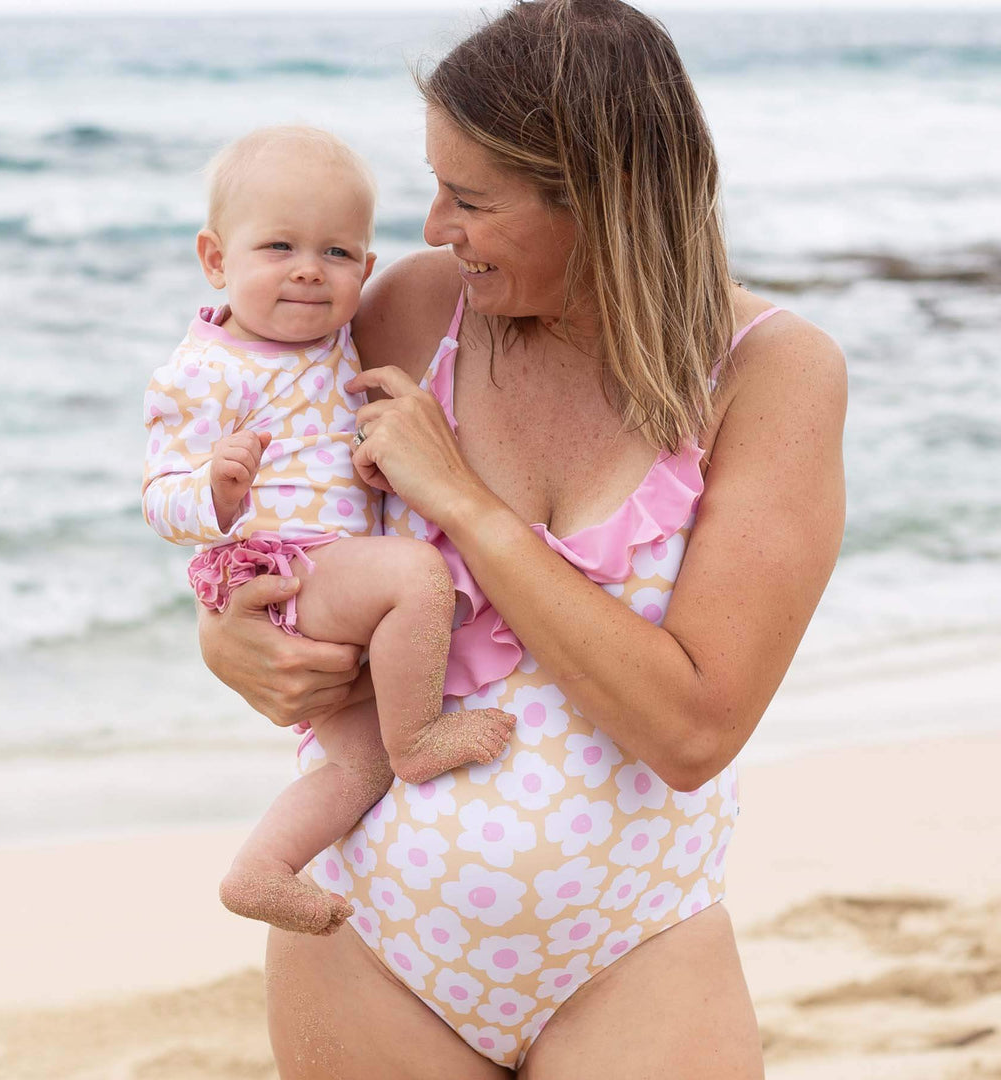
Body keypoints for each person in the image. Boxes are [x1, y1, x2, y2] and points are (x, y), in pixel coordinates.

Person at [197, 1, 846, 1075]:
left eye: (471, 197)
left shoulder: (771, 374)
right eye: (435, 182)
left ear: (596, 200)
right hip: (365, 940)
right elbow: (278, 521)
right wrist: (229, 638)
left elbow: (691, 728)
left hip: (632, 954)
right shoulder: (409, 312)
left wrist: (466, 505)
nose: (432, 226)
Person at [142, 125, 514, 938]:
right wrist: (215, 491)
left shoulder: (335, 344)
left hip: (325, 569)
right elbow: (160, 497)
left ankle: (261, 869)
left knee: (356, 762)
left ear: (366, 272)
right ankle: (418, 736)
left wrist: (371, 465)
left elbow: (329, 463)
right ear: (216, 261)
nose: (311, 269)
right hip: (278, 567)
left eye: (339, 254)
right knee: (418, 574)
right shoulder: (207, 370)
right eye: (278, 246)